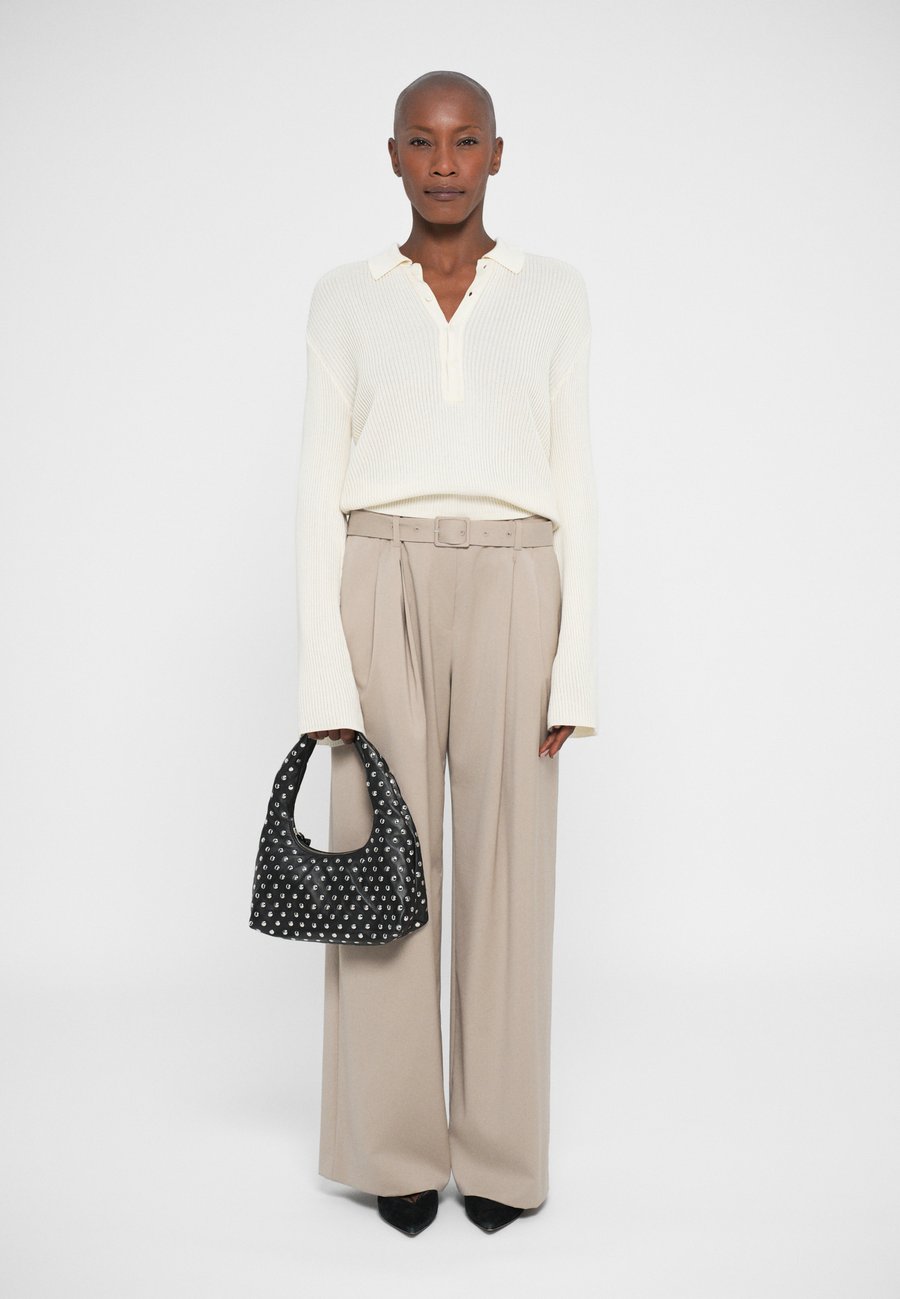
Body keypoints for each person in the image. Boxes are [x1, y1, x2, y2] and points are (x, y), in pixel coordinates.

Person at [295, 68, 599, 1237]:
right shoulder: (345, 299)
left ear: (497, 155)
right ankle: (398, 1152)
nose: (443, 162)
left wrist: (578, 665)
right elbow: (316, 487)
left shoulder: (553, 294)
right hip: (381, 571)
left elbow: (577, 477)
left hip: (519, 574)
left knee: (509, 878)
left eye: (465, 141)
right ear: (392, 156)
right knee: (386, 873)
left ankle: (504, 1157)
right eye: (421, 142)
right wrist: (325, 674)